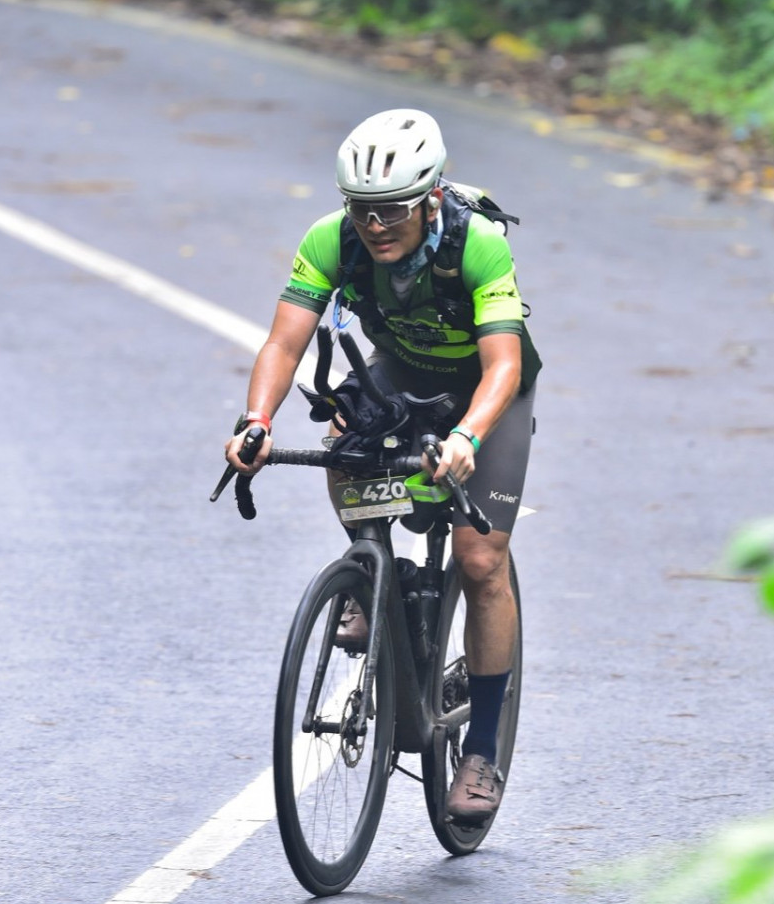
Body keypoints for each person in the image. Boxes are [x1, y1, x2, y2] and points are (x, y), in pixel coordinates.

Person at [225, 107, 540, 822]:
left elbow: (504, 364)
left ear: (431, 198)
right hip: (400, 368)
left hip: (485, 390)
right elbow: (284, 344)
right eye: (361, 208)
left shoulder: (477, 244)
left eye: (393, 209)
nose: (374, 225)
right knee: (346, 427)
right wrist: (257, 420)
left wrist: (467, 437)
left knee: (480, 561)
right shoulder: (331, 240)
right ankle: (372, 575)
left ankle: (482, 751)